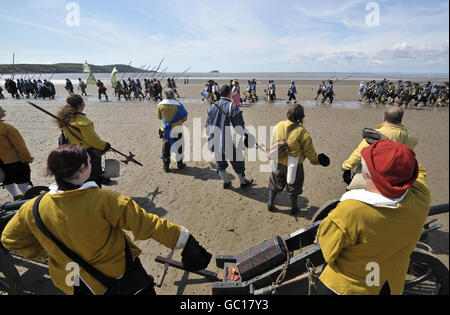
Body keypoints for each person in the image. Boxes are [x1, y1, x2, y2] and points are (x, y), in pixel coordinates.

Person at [1, 144, 212, 295]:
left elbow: (10, 239)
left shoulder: (33, 207)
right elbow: (148, 225)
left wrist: (50, 254)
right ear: (84, 168)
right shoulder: (105, 200)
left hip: (72, 281)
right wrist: (185, 241)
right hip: (115, 276)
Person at [316, 140, 430, 295]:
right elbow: (418, 171)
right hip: (390, 283)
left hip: (348, 288)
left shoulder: (350, 212)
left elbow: (328, 252)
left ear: (364, 172)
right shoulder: (422, 197)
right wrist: (393, 150)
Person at [267, 104, 330, 215]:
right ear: (301, 117)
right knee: (294, 187)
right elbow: (309, 152)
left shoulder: (278, 126)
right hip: (295, 164)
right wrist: (317, 160)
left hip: (278, 161)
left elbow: (273, 144)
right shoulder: (302, 132)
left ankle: (270, 204)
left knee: (274, 183)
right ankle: (294, 208)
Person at [342, 106, 418, 190]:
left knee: (353, 188)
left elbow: (359, 154)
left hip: (376, 174)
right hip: (397, 175)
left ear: (384, 117)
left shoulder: (376, 135)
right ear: (400, 119)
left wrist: (346, 166)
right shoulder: (411, 138)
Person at [56, 94, 111, 187]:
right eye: (83, 103)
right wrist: (106, 146)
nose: (85, 105)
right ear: (80, 105)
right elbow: (93, 141)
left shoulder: (66, 118)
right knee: (93, 177)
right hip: (87, 153)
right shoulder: (82, 121)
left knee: (80, 177)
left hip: (74, 152)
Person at [206, 84, 254, 189]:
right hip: (229, 140)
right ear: (230, 93)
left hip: (216, 139)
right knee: (238, 162)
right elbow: (239, 126)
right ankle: (243, 182)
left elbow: (208, 125)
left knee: (220, 162)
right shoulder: (232, 106)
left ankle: (226, 182)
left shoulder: (212, 106)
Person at [0, 106, 34, 201]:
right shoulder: (7, 128)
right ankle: (26, 195)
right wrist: (27, 157)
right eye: (1, 109)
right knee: (21, 178)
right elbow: (19, 145)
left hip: (1, 161)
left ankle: (15, 196)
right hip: (14, 159)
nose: (4, 110)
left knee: (7, 179)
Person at [157, 89, 189, 172]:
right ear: (173, 95)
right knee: (179, 146)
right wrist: (178, 121)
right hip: (177, 128)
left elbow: (159, 117)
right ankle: (180, 164)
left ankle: (166, 165)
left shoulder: (160, 105)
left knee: (166, 147)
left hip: (165, 129)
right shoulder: (178, 105)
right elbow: (185, 117)